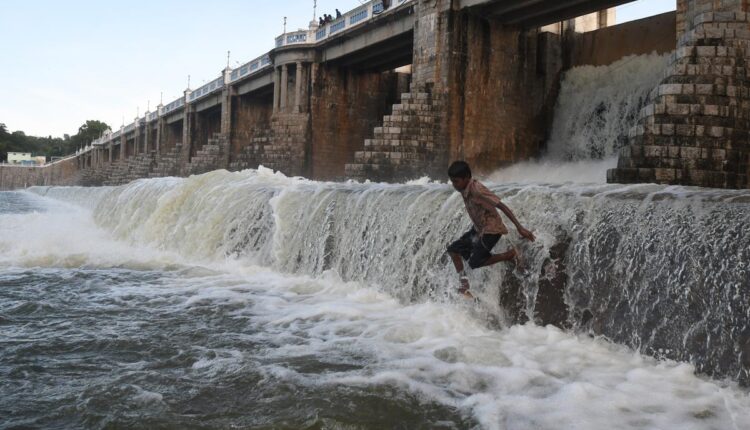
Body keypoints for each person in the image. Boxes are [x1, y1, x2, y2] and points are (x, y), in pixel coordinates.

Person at [446, 161, 535, 298]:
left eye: (456, 182)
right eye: (452, 182)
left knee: (475, 262)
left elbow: (502, 206)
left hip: (492, 230)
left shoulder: (477, 189)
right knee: (453, 250)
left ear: (466, 177)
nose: (454, 185)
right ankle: (464, 284)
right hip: (479, 229)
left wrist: (520, 227)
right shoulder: (464, 188)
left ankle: (511, 255)